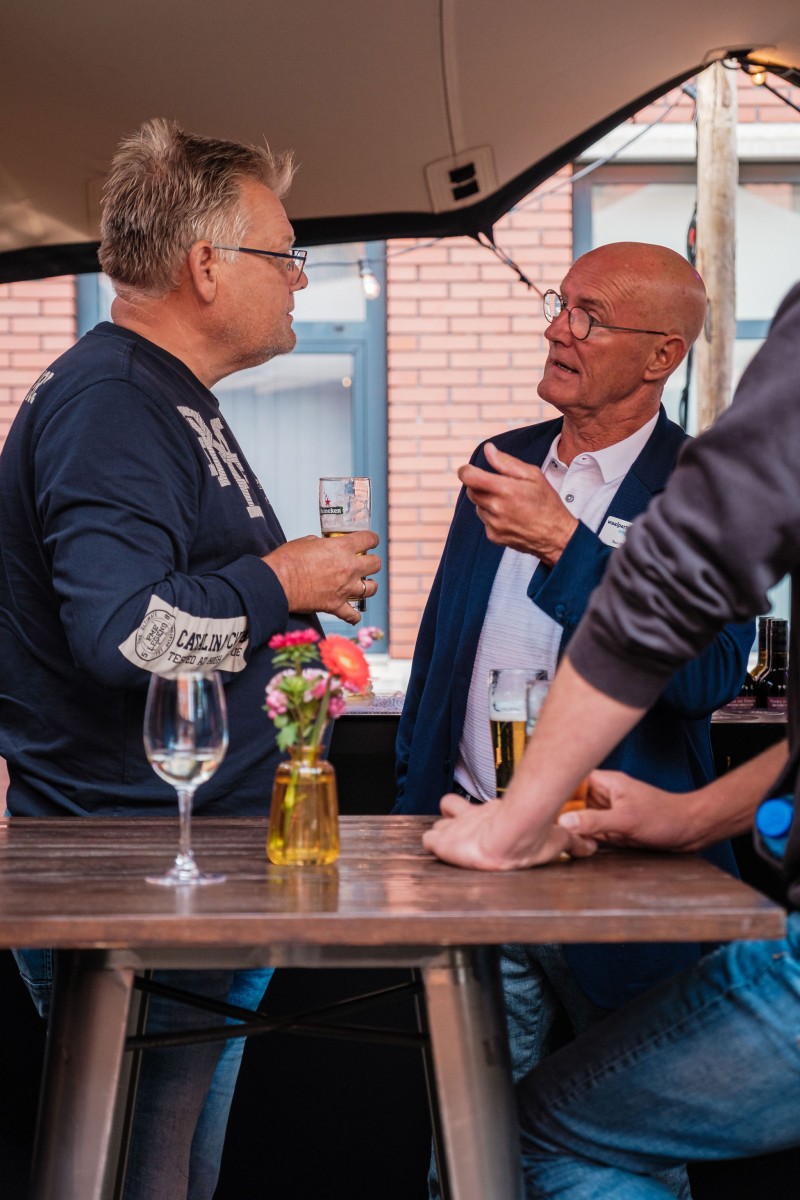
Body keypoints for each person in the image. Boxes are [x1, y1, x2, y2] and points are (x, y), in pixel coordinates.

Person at [0, 118, 380, 1200]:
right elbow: (129, 637)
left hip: (191, 862)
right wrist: (283, 582)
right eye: (285, 253)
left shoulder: (157, 396)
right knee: (145, 1174)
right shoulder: (114, 404)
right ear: (207, 265)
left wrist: (289, 624)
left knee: (166, 1169)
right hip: (139, 871)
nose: (300, 278)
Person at [422, 278, 800, 1197]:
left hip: (619, 878)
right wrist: (419, 804)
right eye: (561, 303)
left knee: (605, 1150)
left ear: (662, 355)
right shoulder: (502, 460)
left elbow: (708, 678)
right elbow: (443, 649)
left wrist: (567, 543)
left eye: (588, 316)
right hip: (474, 858)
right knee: (463, 1150)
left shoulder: (694, 478)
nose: (559, 328)